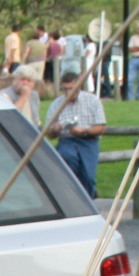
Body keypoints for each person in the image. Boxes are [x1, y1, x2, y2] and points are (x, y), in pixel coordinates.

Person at [45, 71, 105, 199]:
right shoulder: (56, 104)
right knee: (68, 160)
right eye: (65, 89)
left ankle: (88, 200)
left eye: (71, 89)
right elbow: (49, 134)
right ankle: (73, 198)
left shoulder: (92, 100)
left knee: (88, 175)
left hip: (88, 140)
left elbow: (101, 128)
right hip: (67, 140)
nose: (68, 92)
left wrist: (84, 130)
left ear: (79, 87)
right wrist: (55, 129)